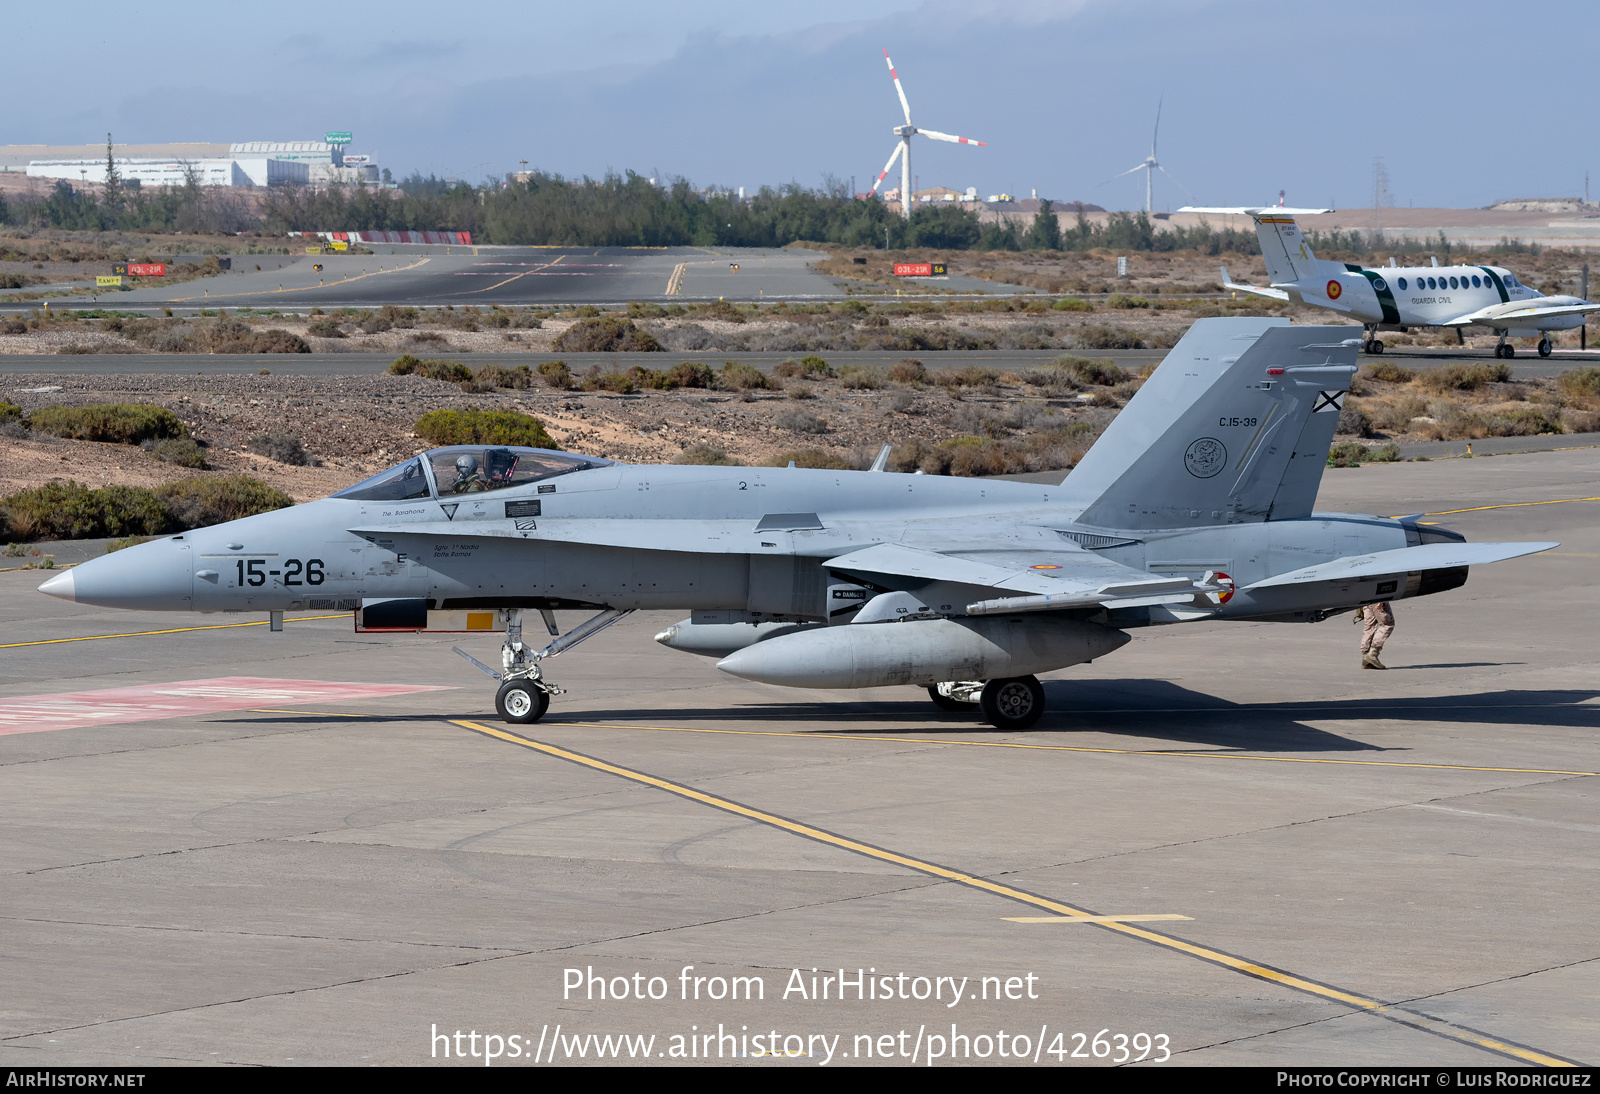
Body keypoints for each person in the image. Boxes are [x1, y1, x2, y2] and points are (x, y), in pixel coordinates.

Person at [1354, 601, 1395, 669]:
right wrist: (1381, 601)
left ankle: (1366, 658)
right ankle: (1373, 653)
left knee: (1369, 627)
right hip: (1377, 598)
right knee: (1387, 625)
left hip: (1365, 600)